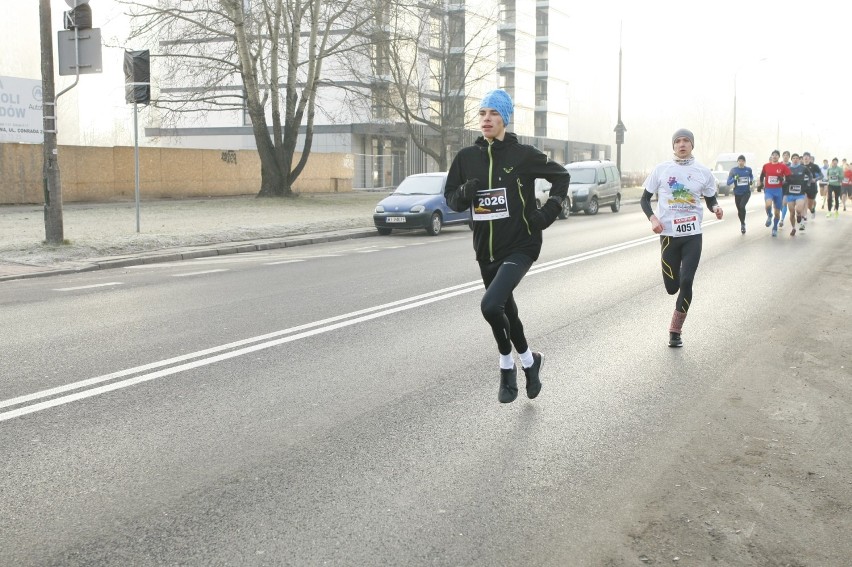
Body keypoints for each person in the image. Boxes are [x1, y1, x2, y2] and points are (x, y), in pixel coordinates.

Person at [445, 89, 570, 404]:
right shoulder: (466, 157)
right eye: (483, 113)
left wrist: (547, 212)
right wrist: (464, 193)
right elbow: (450, 198)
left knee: (490, 306)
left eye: (494, 114)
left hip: (521, 245)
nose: (487, 119)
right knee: (507, 312)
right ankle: (530, 362)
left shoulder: (522, 155)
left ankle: (505, 367)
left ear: (504, 119)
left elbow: (561, 177)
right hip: (486, 249)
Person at [640, 128, 723, 348]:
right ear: (673, 146)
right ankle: (674, 293)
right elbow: (644, 199)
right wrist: (652, 219)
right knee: (671, 287)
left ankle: (675, 332)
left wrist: (715, 207)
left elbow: (710, 197)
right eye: (678, 141)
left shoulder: (703, 172)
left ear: (692, 145)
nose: (682, 144)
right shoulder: (661, 170)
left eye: (686, 140)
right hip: (668, 236)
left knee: (687, 281)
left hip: (692, 235)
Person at [759, 150, 791, 237]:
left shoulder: (782, 166)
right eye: (773, 155)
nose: (775, 156)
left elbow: (788, 177)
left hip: (778, 190)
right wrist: (760, 184)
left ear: (778, 157)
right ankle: (769, 215)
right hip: (769, 190)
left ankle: (775, 228)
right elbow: (762, 176)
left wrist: (783, 181)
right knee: (768, 205)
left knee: (777, 212)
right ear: (771, 156)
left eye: (776, 155)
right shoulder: (766, 166)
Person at [784, 153, 810, 236]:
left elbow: (810, 175)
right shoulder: (787, 168)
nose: (795, 159)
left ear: (799, 160)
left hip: (800, 193)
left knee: (798, 209)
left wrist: (808, 184)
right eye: (793, 158)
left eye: (797, 158)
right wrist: (783, 182)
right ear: (791, 160)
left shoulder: (803, 168)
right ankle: (793, 228)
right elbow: (783, 178)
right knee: (791, 212)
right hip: (790, 193)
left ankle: (799, 214)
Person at [727, 154, 754, 233]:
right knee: (739, 210)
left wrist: (751, 180)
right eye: (739, 161)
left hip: (746, 192)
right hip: (737, 193)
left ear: (744, 162)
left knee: (742, 206)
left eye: (742, 161)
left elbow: (751, 176)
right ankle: (742, 222)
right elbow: (728, 183)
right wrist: (734, 178)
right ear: (737, 162)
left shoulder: (748, 169)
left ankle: (743, 224)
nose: (741, 162)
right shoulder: (733, 170)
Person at [802, 152, 822, 219]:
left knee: (809, 206)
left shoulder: (814, 166)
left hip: (812, 188)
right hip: (803, 187)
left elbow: (821, 176)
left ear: (810, 158)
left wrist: (815, 179)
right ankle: (804, 216)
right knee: (803, 202)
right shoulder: (800, 166)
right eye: (804, 158)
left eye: (807, 158)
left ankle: (812, 210)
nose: (806, 159)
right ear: (802, 159)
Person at [780, 150, 792, 227]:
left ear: (789, 157)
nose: (786, 156)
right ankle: (783, 212)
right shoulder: (778, 164)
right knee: (778, 204)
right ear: (782, 156)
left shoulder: (791, 165)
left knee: (784, 203)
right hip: (778, 187)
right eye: (784, 155)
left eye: (787, 155)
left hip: (787, 187)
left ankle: (782, 220)